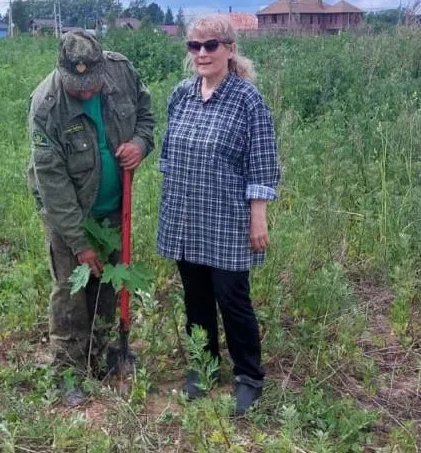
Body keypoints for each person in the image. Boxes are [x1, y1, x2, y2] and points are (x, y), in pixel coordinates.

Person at [157, 15, 281, 415]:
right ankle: (204, 366)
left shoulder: (247, 100)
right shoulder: (182, 94)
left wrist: (257, 215)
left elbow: (262, 163)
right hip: (186, 215)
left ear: (230, 49)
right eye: (195, 46)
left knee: (232, 297)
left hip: (228, 219)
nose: (202, 53)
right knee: (195, 296)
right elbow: (169, 155)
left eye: (211, 45)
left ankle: (249, 376)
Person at [26, 31, 155, 407]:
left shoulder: (122, 72)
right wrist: (79, 243)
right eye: (75, 86)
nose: (84, 92)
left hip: (115, 210)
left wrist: (141, 144)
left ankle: (97, 358)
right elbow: (52, 185)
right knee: (70, 293)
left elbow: (146, 116)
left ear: (102, 68)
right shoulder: (45, 106)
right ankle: (68, 372)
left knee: (107, 290)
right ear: (61, 71)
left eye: (90, 85)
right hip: (70, 214)